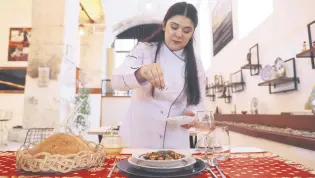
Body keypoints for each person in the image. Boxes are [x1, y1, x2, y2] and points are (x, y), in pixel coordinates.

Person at [111, 2, 206, 149]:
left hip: (175, 139)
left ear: (192, 33)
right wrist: (141, 72)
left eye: (186, 31)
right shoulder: (144, 50)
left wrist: (193, 113)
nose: (179, 34)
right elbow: (116, 81)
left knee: (175, 168)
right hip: (140, 135)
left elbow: (199, 101)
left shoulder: (196, 64)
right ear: (164, 25)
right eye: (174, 27)